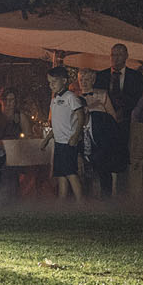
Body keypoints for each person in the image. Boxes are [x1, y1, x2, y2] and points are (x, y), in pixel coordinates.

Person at [88, 43, 143, 196]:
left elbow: (139, 99)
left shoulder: (136, 77)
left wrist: (124, 111)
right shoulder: (101, 76)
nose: (115, 58)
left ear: (126, 56)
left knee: (123, 158)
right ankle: (105, 193)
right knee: (104, 157)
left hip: (126, 123)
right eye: (113, 54)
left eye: (119, 54)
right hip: (105, 125)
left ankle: (123, 193)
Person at [45, 68, 86, 202]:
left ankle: (81, 202)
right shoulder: (54, 99)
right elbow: (56, 124)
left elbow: (81, 116)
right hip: (59, 142)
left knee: (70, 173)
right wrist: (47, 139)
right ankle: (62, 202)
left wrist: (75, 135)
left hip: (69, 142)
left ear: (64, 81)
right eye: (49, 82)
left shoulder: (71, 97)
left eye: (54, 82)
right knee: (61, 174)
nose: (51, 85)